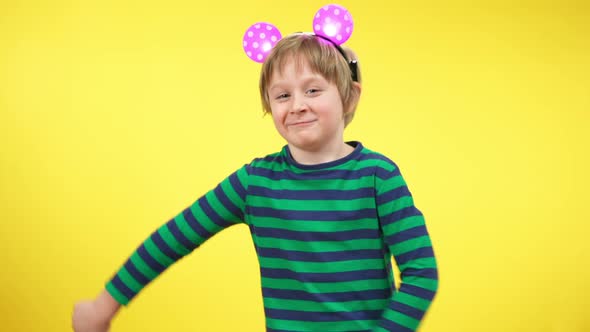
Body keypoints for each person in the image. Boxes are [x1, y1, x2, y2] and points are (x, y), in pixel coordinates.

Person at [72, 33, 439, 332]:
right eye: (282, 95)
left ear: (348, 96)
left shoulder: (377, 177)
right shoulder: (255, 183)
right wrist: (103, 306)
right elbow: (173, 238)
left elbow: (422, 274)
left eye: (313, 90)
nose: (296, 105)